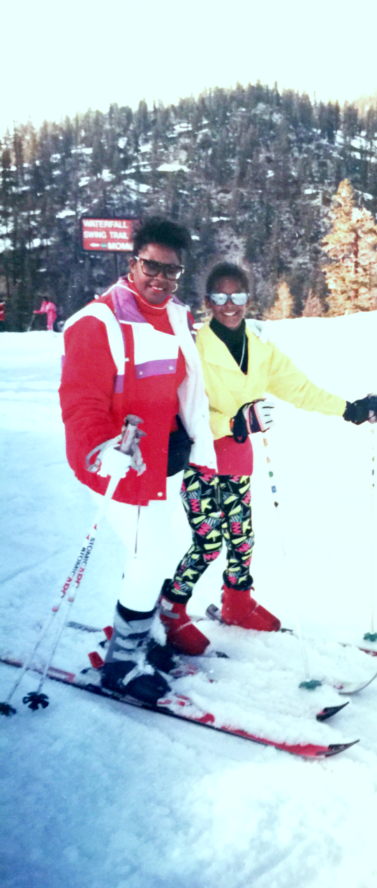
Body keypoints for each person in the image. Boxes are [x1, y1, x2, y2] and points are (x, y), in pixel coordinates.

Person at [159, 261, 377, 653]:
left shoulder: (260, 348)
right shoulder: (194, 347)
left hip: (237, 461)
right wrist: (234, 421)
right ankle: (171, 609)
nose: (231, 304)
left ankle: (237, 602)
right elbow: (186, 409)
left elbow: (300, 389)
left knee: (242, 539)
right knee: (208, 542)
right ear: (208, 301)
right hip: (202, 461)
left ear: (249, 299)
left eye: (239, 296)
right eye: (221, 296)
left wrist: (349, 409)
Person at [59, 217, 216, 703]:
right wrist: (100, 448)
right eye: (152, 266)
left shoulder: (178, 316)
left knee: (154, 554)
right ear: (133, 264)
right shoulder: (97, 322)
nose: (161, 278)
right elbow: (80, 401)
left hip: (165, 462)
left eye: (172, 271)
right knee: (150, 558)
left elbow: (189, 388)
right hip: (121, 468)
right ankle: (121, 664)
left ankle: (138, 636)